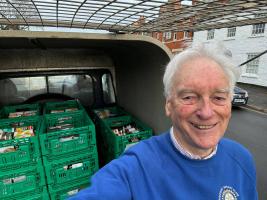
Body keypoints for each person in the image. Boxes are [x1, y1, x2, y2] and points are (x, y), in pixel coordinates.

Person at [69, 44, 258, 200]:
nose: (206, 112)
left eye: (218, 97)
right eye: (189, 97)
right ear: (169, 105)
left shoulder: (242, 159)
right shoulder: (135, 169)